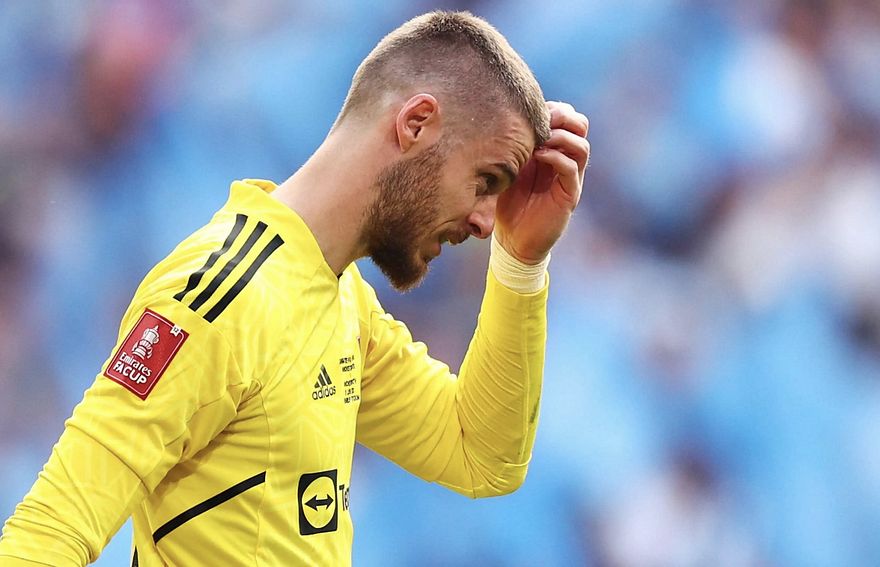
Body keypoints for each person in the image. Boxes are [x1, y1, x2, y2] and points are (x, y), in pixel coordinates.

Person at [0, 10, 589, 566]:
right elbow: (48, 532)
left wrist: (521, 261)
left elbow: (481, 456)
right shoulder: (217, 299)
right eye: (486, 181)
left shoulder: (340, 298)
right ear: (415, 124)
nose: (486, 222)